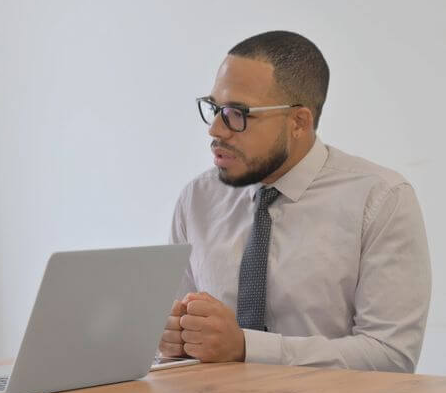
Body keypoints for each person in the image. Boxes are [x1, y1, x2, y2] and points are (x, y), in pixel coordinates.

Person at [158, 30, 431, 373]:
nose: (215, 129)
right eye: (214, 108)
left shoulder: (381, 199)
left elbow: (391, 357)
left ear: (299, 122)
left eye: (236, 113)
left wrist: (246, 347)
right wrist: (171, 339)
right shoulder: (198, 199)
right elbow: (177, 331)